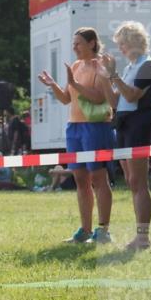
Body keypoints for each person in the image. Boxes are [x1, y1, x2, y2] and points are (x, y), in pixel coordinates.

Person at [38, 27, 115, 243]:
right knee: (80, 179)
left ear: (92, 43)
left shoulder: (100, 66)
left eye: (78, 43)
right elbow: (65, 99)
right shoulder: (76, 66)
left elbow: (99, 98)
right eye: (74, 43)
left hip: (95, 127)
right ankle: (85, 230)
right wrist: (53, 85)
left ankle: (103, 230)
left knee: (99, 178)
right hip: (74, 128)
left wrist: (74, 84)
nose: (74, 47)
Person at [99, 20, 151, 251]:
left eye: (123, 43)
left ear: (134, 42)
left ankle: (143, 237)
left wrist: (114, 76)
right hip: (124, 123)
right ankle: (140, 236)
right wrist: (105, 77)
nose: (121, 48)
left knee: (139, 182)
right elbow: (116, 101)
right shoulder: (128, 68)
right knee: (131, 182)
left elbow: (133, 95)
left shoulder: (148, 65)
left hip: (139, 124)